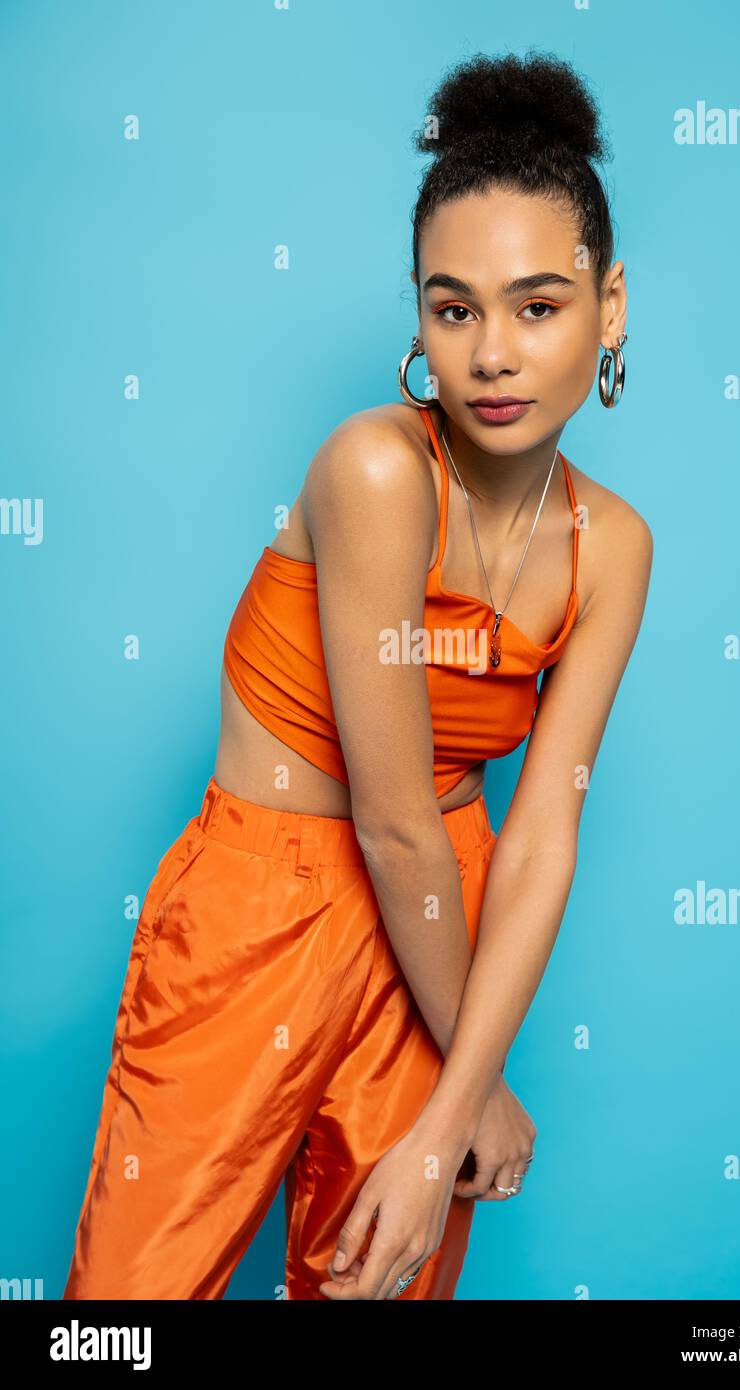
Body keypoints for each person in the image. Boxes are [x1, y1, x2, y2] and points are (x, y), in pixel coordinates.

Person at [62, 49, 651, 1302]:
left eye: (538, 307)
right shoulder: (375, 470)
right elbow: (385, 820)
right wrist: (480, 1087)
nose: (491, 352)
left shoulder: (615, 548)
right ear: (418, 318)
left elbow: (543, 832)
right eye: (454, 309)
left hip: (447, 928)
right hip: (265, 905)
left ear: (610, 308)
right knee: (128, 1306)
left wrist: (445, 1117)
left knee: (379, 1284)